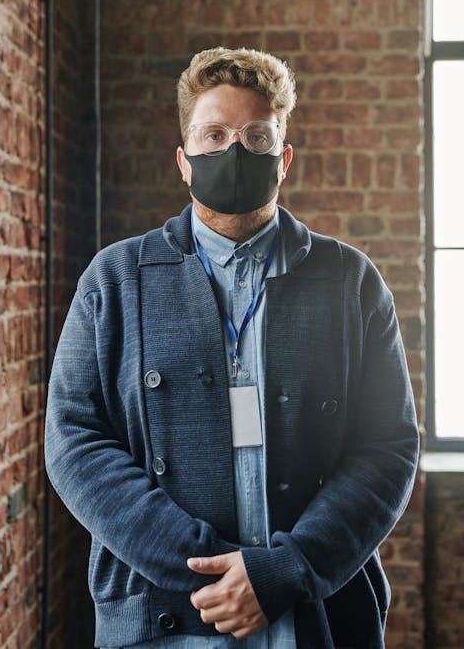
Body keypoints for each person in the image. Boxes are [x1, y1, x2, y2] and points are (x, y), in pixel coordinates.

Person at [45, 47, 419, 649]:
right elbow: (74, 442)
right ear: (184, 161)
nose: (234, 151)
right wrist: (202, 567)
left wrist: (281, 572)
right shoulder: (115, 280)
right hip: (162, 611)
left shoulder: (351, 282)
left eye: (256, 135)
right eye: (213, 135)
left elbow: (388, 448)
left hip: (313, 610)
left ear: (284, 157)